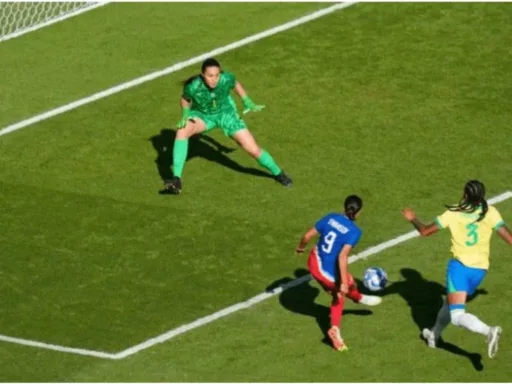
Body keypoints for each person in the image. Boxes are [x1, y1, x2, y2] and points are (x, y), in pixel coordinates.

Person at [401, 180, 512, 358]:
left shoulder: (454, 213)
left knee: (457, 315)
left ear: (466, 195)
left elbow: (425, 231)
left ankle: (488, 331)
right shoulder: (490, 212)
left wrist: (412, 218)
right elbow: (510, 238)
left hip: (460, 268)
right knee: (449, 302)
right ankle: (434, 335)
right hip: (480, 271)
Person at [164, 57, 292, 194]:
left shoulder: (226, 79)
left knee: (253, 150)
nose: (214, 79)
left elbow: (235, 84)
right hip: (203, 116)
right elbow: (185, 99)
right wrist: (185, 114)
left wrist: (247, 100)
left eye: (217, 75)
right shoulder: (193, 86)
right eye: (210, 76)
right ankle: (176, 179)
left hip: (226, 115)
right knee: (182, 130)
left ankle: (278, 173)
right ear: (203, 75)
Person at [296, 195, 382, 352]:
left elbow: (307, 236)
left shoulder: (331, 217)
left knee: (343, 287)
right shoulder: (354, 232)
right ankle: (335, 329)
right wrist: (342, 282)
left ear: (344, 207)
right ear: (359, 212)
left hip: (314, 262)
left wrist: (301, 247)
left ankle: (359, 298)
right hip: (327, 272)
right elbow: (342, 257)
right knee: (343, 291)